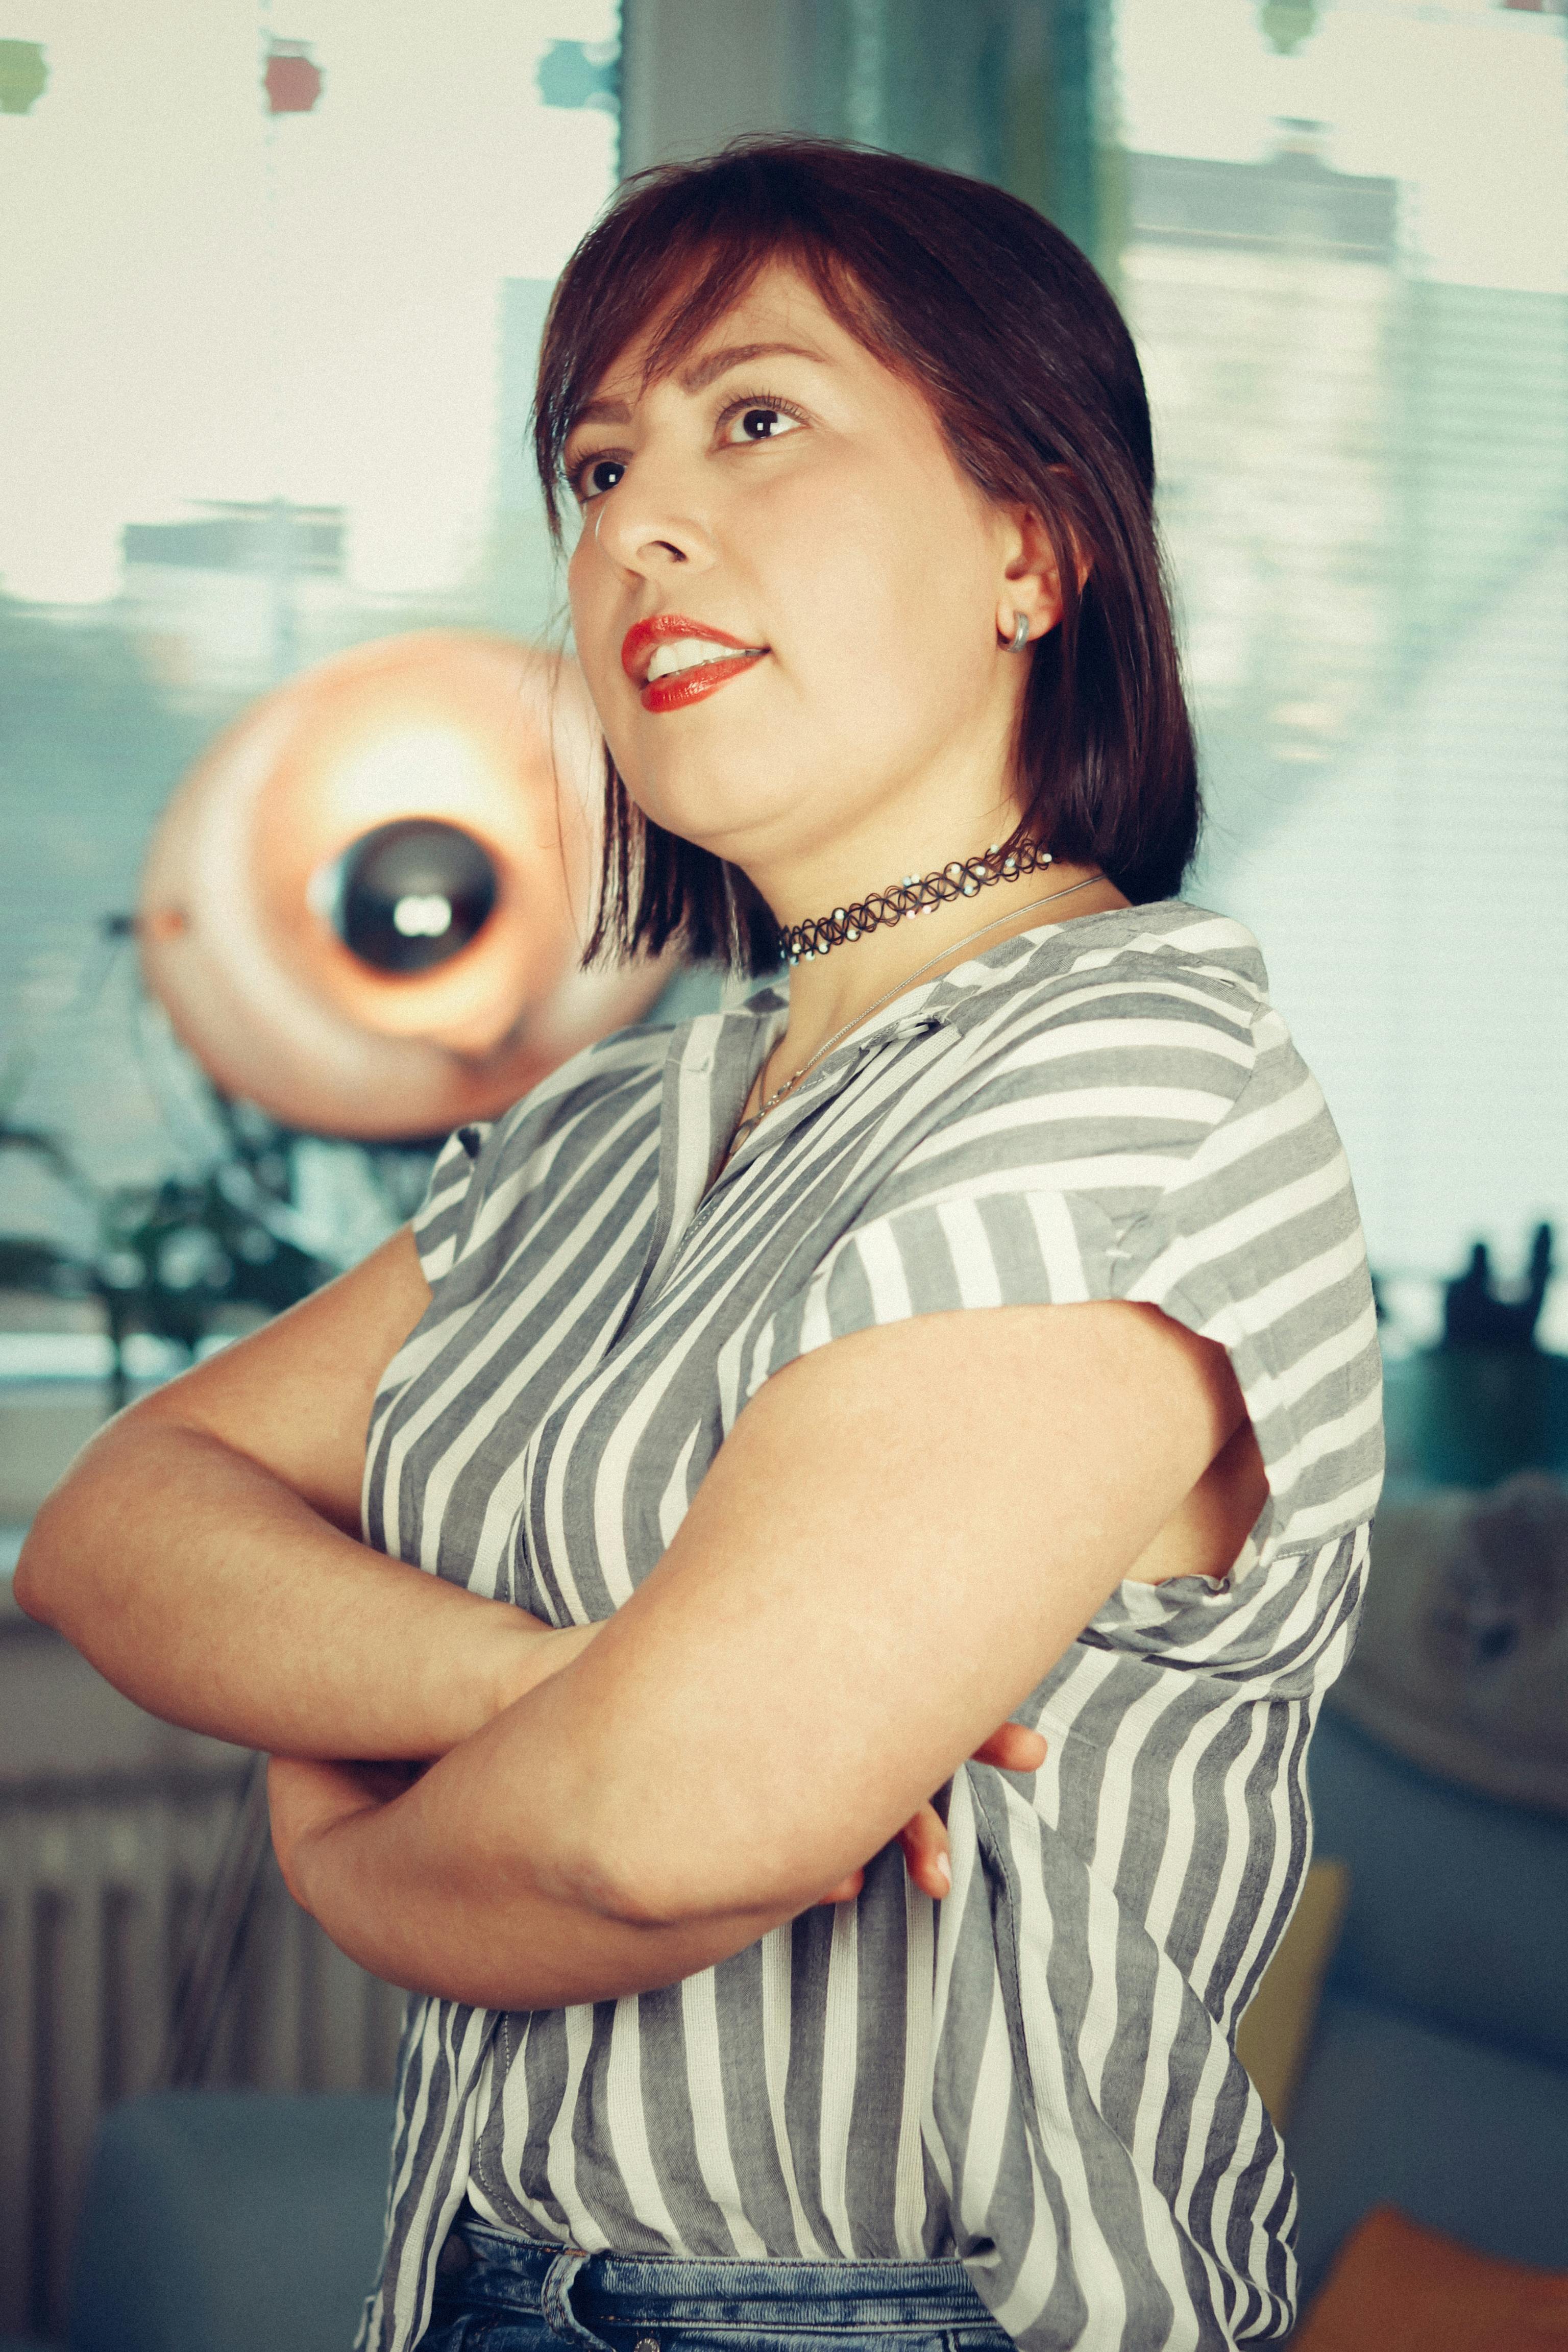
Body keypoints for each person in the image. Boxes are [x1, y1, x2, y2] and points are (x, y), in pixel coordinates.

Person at [17, 139, 1383, 2352]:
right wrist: (531, 1689)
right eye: (594, 458)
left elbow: (666, 1830)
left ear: (1032, 542)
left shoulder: (1141, 1075)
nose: (634, 521)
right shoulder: (607, 1118)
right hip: (467, 2274)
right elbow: (114, 1529)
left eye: (757, 419)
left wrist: (352, 1839)